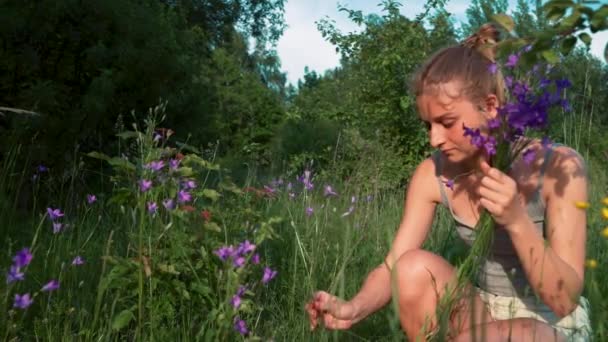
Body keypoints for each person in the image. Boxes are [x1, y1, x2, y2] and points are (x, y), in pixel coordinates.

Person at [305, 24, 591, 341]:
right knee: (411, 268)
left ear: (491, 106)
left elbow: (564, 301)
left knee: (512, 333)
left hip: (550, 322)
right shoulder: (432, 174)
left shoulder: (559, 167)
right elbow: (392, 267)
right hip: (482, 310)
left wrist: (516, 220)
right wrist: (353, 308)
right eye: (428, 125)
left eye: (447, 122)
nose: (434, 139)